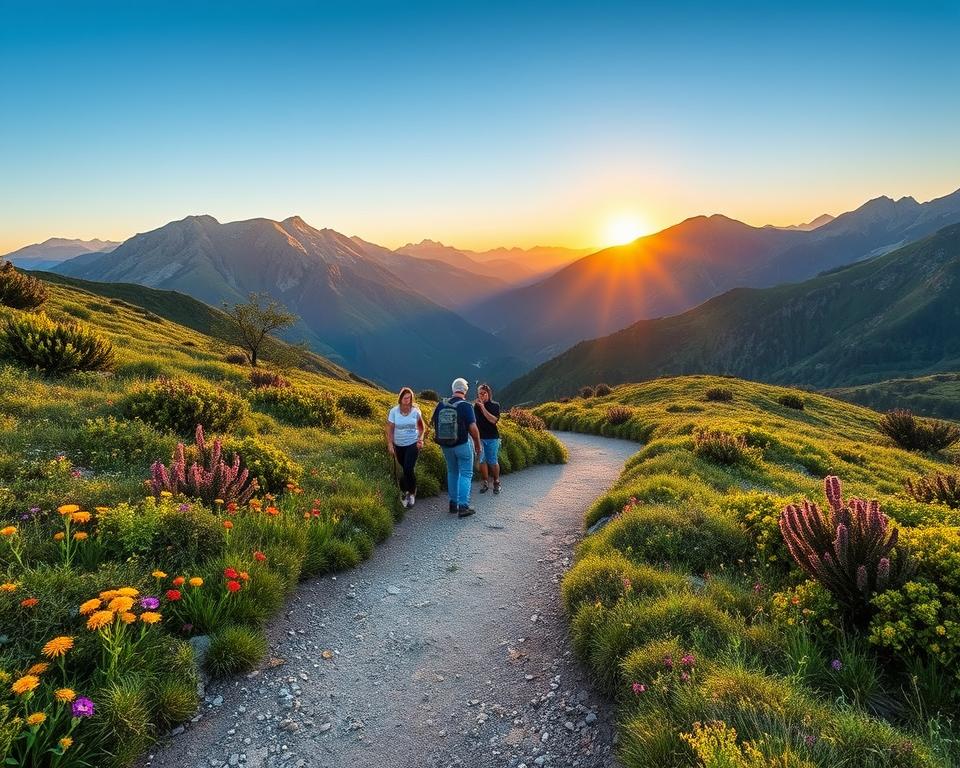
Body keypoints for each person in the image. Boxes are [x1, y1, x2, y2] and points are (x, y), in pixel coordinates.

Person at [431, 377, 481, 517]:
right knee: (466, 473)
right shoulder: (466, 406)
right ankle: (463, 506)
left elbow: (435, 424)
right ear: (465, 391)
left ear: (453, 389)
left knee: (452, 472)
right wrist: (477, 445)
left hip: (446, 445)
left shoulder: (441, 404)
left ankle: (453, 504)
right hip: (462, 445)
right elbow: (473, 428)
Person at [386, 387, 426, 509]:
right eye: (405, 398)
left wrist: (420, 439)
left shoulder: (415, 411)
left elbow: (421, 427)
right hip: (399, 444)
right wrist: (390, 444)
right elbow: (389, 429)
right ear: (401, 398)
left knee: (408, 468)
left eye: (409, 398)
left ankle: (412, 494)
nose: (407, 400)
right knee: (405, 469)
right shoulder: (394, 411)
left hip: (412, 443)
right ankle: (405, 491)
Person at [474, 383, 502, 494]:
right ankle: (485, 482)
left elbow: (493, 420)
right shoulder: (475, 406)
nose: (481, 396)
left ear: (488, 394)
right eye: (479, 394)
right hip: (480, 437)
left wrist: (483, 407)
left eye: (483, 393)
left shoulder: (495, 405)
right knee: (482, 460)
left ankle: (496, 482)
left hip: (492, 438)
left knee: (493, 460)